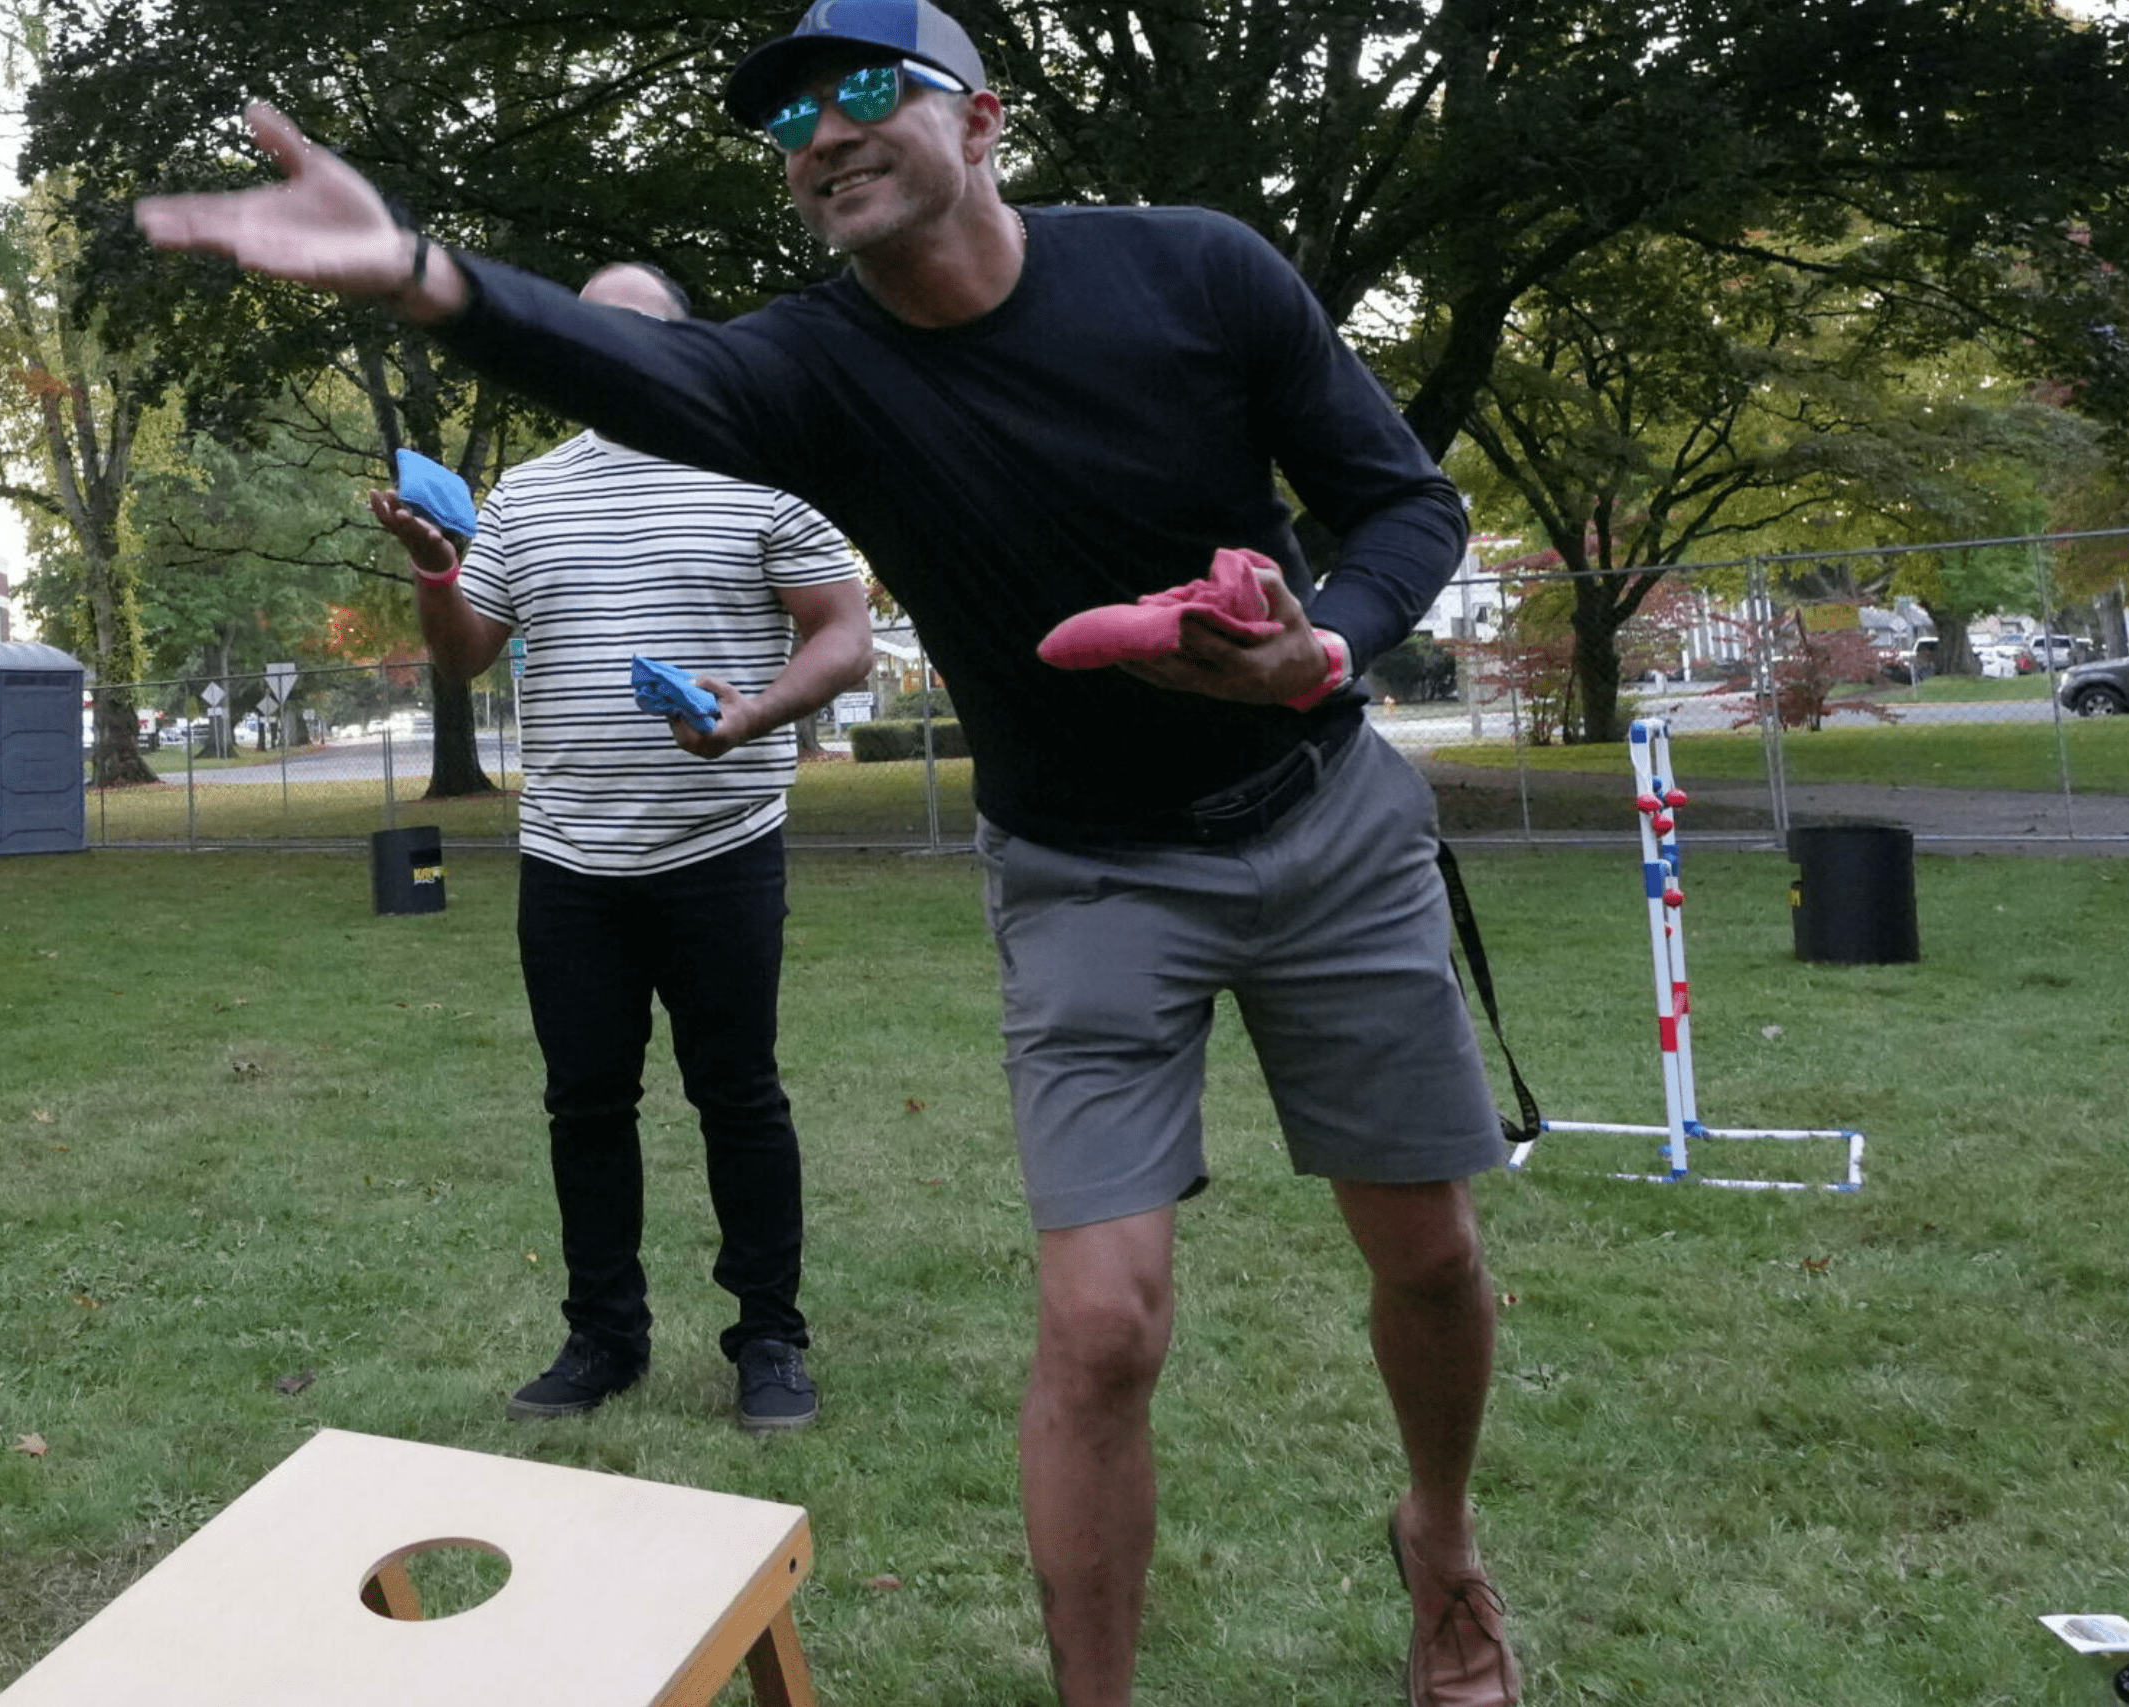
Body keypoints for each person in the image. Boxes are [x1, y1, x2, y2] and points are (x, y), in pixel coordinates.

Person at [139, 2, 1521, 1698]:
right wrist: (426, 275)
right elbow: (641, 365)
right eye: (789, 115)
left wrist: (1330, 645)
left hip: (1323, 821)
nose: (820, 130)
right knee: (1101, 1324)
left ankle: (1441, 1540)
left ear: (986, 119)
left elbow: (1406, 505)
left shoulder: (1199, 271)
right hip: (1089, 871)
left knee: (1430, 1254)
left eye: (865, 88)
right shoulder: (816, 367)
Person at [368, 260, 873, 1432]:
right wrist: (437, 569)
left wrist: (749, 713)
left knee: (738, 1097)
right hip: (570, 862)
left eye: (640, 336)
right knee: (583, 1106)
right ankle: (604, 1338)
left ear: (687, 350)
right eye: (596, 333)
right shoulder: (528, 498)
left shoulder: (762, 466)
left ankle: (769, 1341)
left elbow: (843, 633)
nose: (616, 353)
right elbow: (461, 655)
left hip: (722, 843)